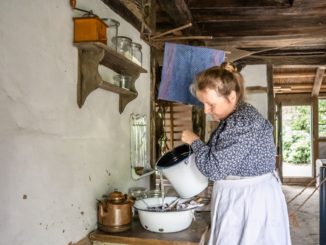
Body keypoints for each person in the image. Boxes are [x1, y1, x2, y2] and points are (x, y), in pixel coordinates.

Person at [181, 62, 291, 245]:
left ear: (231, 96)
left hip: (249, 200)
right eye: (204, 104)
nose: (206, 110)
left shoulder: (242, 123)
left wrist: (194, 141)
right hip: (242, 195)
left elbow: (215, 169)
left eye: (210, 104)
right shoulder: (234, 117)